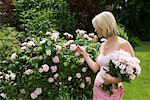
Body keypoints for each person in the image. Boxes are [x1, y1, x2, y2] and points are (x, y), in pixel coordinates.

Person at [77, 11, 135, 100]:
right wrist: (84, 54)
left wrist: (114, 80)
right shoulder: (103, 45)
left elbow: (134, 72)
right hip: (98, 88)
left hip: (112, 92)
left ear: (104, 26)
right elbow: (95, 68)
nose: (95, 30)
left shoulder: (123, 44)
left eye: (96, 27)